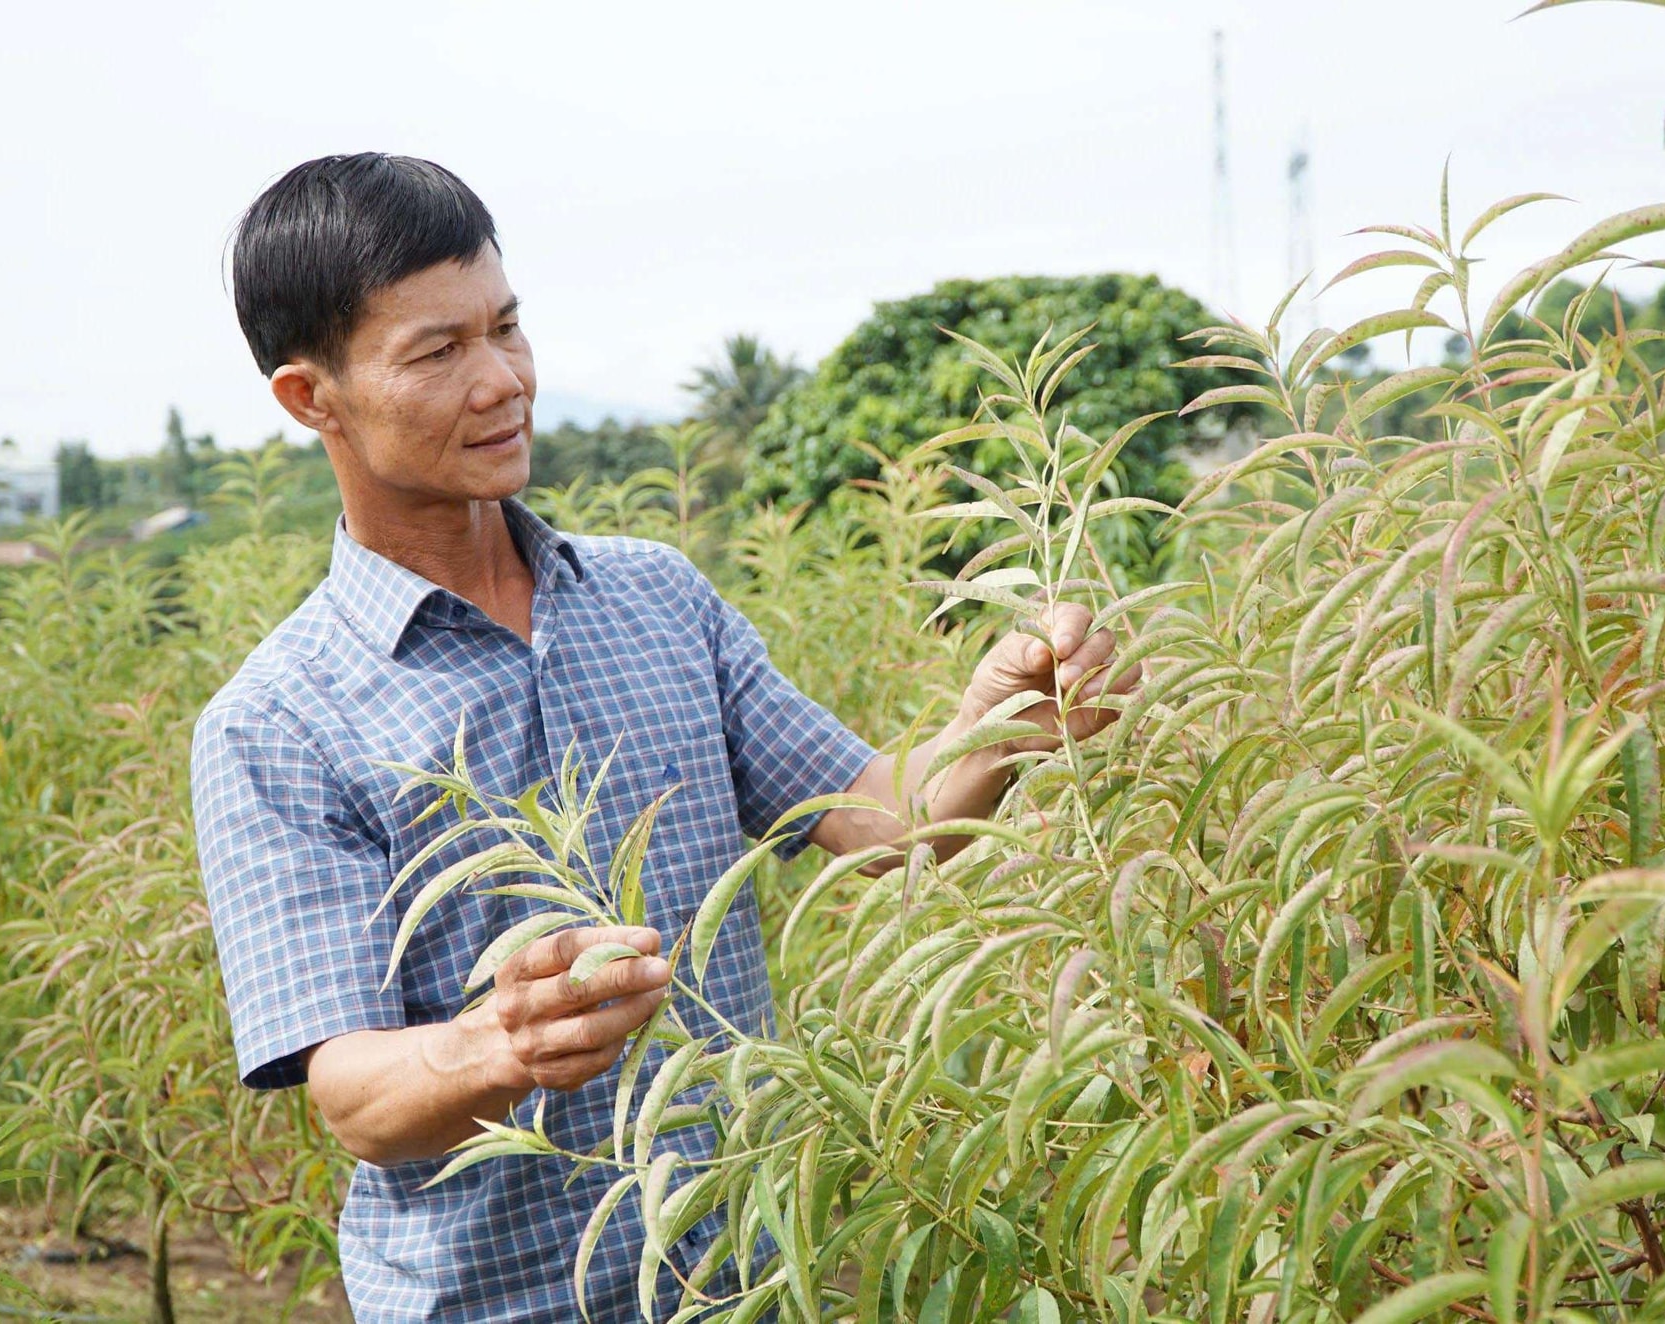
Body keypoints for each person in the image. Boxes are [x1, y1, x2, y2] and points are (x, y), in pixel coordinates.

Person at [191, 153, 1137, 1323]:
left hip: (754, 1276)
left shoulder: (658, 601)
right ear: (309, 397)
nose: (501, 381)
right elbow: (352, 1094)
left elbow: (884, 819)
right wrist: (499, 1042)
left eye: (507, 327)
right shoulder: (277, 719)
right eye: (437, 353)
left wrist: (998, 727)